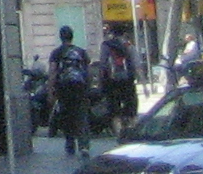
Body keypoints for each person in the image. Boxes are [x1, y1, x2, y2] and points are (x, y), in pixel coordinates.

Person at [49, 26, 94, 156]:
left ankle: (70, 144)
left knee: (67, 115)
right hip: (80, 87)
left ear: (60, 37)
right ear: (72, 36)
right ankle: (84, 145)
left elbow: (52, 72)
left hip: (64, 88)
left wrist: (50, 90)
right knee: (82, 115)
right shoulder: (81, 52)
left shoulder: (56, 53)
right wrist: (89, 86)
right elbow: (89, 72)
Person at [99, 29, 140, 133]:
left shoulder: (106, 46)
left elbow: (102, 64)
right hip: (128, 81)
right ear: (124, 34)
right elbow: (137, 66)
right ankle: (132, 130)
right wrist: (144, 84)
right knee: (131, 107)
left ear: (112, 34)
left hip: (111, 82)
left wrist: (101, 81)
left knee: (114, 109)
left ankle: (118, 132)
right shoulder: (129, 46)